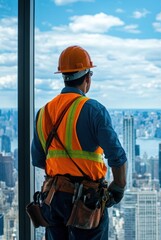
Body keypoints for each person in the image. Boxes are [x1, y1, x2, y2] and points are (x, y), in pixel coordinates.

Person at [31, 45, 127, 240]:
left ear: (64, 76)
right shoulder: (93, 110)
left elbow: (39, 160)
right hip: (86, 201)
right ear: (87, 77)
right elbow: (117, 157)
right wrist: (117, 188)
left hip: (53, 199)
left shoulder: (43, 112)